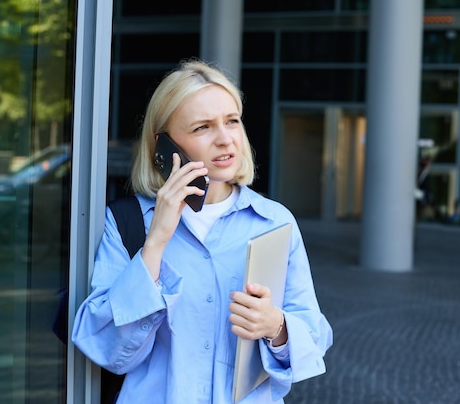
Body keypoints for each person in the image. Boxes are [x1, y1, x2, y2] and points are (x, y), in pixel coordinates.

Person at [72, 59, 333, 403]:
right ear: (163, 146)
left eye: (232, 121)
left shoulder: (275, 222)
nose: (225, 139)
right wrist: (157, 241)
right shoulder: (127, 223)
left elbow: (315, 337)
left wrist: (276, 327)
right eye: (202, 128)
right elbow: (105, 347)